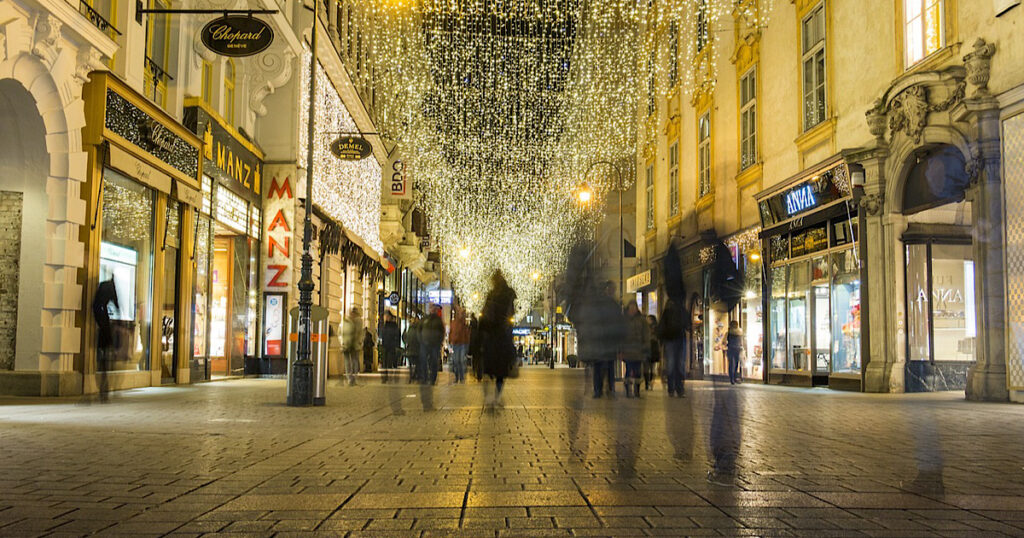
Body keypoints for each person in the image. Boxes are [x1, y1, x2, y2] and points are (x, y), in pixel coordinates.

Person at [480, 270, 517, 408]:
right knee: (501, 371)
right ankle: (497, 397)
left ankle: (489, 398)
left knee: (489, 369)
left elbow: (485, 315)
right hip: (503, 336)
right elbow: (510, 315)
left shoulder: (492, 295)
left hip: (491, 336)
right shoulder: (508, 295)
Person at [91, 277, 119, 402]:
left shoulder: (103, 287)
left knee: (103, 357)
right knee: (105, 357)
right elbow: (116, 302)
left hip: (102, 322)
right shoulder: (109, 286)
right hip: (104, 324)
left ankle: (104, 386)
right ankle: (104, 387)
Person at [621, 301, 650, 398]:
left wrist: (646, 346)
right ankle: (628, 390)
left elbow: (646, 334)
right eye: (631, 308)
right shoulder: (624, 320)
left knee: (637, 371)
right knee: (629, 370)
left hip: (638, 350)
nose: (633, 310)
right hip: (628, 350)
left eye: (634, 307)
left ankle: (637, 390)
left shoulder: (642, 320)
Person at [659, 296, 687, 397]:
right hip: (674, 339)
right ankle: (677, 388)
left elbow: (661, 327)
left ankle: (674, 388)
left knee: (673, 365)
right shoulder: (677, 311)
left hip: (672, 339)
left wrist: (661, 340)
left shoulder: (669, 312)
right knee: (677, 364)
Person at [419, 304, 445, 385]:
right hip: (424, 343)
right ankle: (425, 377)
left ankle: (432, 379)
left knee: (434, 361)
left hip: (435, 344)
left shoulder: (438, 320)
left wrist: (439, 341)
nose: (432, 310)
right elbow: (419, 329)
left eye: (434, 308)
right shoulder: (425, 319)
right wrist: (421, 340)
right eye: (431, 308)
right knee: (423, 361)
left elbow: (442, 332)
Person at [341, 307, 363, 386]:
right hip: (350, 344)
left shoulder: (355, 321)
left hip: (351, 344)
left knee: (352, 360)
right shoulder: (349, 321)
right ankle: (351, 377)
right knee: (352, 360)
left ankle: (351, 377)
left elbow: (357, 333)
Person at [449, 303, 471, 383]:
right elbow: (451, 333)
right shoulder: (454, 323)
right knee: (456, 361)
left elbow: (466, 334)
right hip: (455, 344)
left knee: (460, 360)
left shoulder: (463, 323)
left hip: (461, 344)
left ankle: (461, 377)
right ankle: (458, 377)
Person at [379, 312, 401, 383]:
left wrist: (396, 345)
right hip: (385, 346)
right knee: (384, 362)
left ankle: (389, 376)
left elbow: (397, 336)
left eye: (387, 316)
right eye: (385, 316)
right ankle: (384, 377)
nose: (386, 317)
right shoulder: (384, 325)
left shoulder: (394, 326)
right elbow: (382, 335)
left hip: (391, 346)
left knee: (389, 362)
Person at [403, 312, 421, 383]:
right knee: (417, 364)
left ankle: (412, 376)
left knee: (412, 364)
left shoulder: (410, 329)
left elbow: (405, 337)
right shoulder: (419, 329)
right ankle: (415, 376)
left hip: (411, 349)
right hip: (417, 349)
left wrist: (406, 343)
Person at [726, 320, 744, 384]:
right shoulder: (740, 331)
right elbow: (741, 341)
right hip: (738, 349)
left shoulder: (729, 332)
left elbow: (726, 341)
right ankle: (735, 377)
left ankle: (732, 379)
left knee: (731, 364)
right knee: (736, 364)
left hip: (731, 349)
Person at [646, 314, 660, 391]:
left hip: (653, 348)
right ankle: (647, 382)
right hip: (648, 348)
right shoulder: (645, 327)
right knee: (647, 367)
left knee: (652, 367)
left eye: (648, 319)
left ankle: (650, 382)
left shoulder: (655, 328)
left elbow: (657, 337)